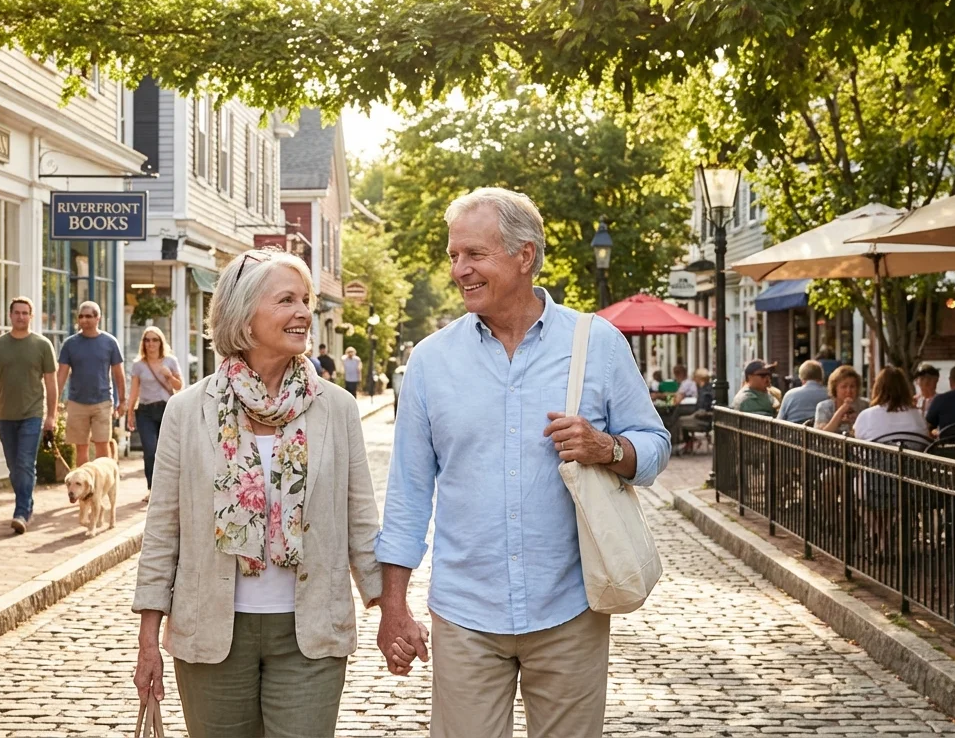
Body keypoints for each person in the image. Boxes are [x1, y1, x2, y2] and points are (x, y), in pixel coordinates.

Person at [375, 188, 670, 738]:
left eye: (474, 255)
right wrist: (394, 605)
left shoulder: (596, 343)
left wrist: (607, 448)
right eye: (454, 256)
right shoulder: (431, 361)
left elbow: (653, 445)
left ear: (524, 255)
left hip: (571, 609)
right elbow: (409, 493)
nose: (459, 269)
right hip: (464, 613)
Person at [132, 249, 385, 738]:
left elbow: (361, 522)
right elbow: (163, 529)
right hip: (211, 633)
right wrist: (148, 640)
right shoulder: (188, 411)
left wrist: (389, 608)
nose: (304, 312)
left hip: (310, 633)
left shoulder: (336, 408)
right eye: (286, 300)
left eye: (306, 300)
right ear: (243, 316)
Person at [0, 297, 58, 535]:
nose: (21, 317)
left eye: (25, 313)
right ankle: (27, 502)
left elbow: (52, 384)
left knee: (25, 463)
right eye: (17, 313)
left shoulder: (42, 345)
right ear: (10, 315)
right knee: (14, 468)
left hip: (32, 414)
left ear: (31, 316)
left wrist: (51, 416)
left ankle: (21, 511)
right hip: (5, 415)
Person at [57, 301, 127, 467]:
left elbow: (118, 373)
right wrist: (54, 403)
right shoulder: (70, 344)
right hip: (76, 401)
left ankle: (103, 486)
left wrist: (122, 401)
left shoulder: (109, 342)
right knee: (81, 447)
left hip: (102, 401)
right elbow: (61, 375)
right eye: (81, 316)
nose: (84, 320)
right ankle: (84, 488)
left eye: (89, 316)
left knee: (102, 444)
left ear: (98, 318)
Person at [126, 326, 183, 500]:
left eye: (154, 339)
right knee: (150, 450)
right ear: (143, 343)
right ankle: (152, 489)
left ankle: (169, 489)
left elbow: (179, 386)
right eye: (147, 340)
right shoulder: (139, 365)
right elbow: (134, 390)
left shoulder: (170, 361)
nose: (151, 343)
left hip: (166, 409)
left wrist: (169, 376)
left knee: (166, 451)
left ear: (161, 342)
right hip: (145, 411)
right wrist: (130, 412)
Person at [853, 367, 929, 446]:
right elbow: (925, 438)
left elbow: (857, 440)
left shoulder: (866, 415)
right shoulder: (918, 415)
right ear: (905, 388)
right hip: (911, 458)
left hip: (877, 457)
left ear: (878, 387)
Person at [814, 366, 867, 434]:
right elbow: (823, 434)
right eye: (844, 387)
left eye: (852, 386)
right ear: (835, 389)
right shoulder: (824, 407)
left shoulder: (865, 405)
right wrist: (842, 410)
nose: (848, 391)